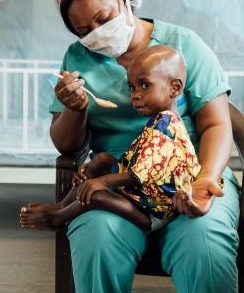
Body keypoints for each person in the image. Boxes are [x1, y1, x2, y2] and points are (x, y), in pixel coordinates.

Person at [23, 0, 240, 292]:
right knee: (97, 239)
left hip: (191, 171)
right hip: (120, 183)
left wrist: (206, 178)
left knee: (204, 244)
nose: (96, 34)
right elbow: (66, 146)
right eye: (83, 31)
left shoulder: (184, 45)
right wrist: (74, 108)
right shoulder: (78, 58)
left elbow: (216, 124)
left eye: (104, 19)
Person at [20, 45, 202, 232]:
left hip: (156, 210)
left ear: (175, 88)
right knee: (101, 160)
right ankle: (62, 205)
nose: (136, 95)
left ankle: (58, 218)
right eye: (132, 88)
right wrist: (95, 170)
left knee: (97, 194)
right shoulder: (160, 120)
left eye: (145, 85)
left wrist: (103, 181)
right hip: (147, 192)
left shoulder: (165, 126)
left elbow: (138, 176)